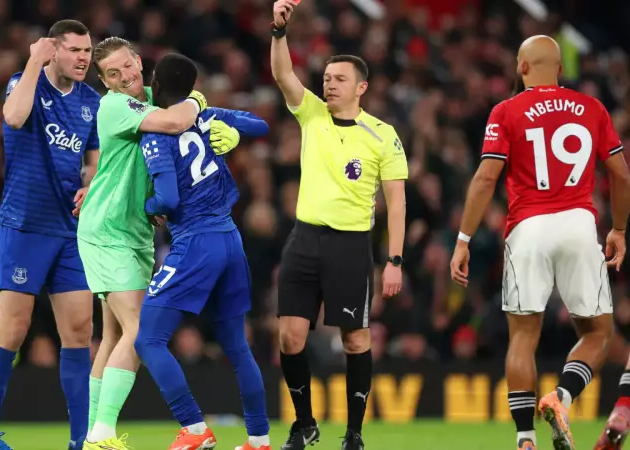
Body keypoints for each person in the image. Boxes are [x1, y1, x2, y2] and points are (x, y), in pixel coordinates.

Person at [449, 35, 630, 450]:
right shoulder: (592, 108)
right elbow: (621, 175)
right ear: (560, 70)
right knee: (599, 334)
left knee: (523, 338)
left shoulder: (507, 110)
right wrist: (618, 229)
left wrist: (464, 239)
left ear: (522, 67)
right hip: (580, 225)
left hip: (527, 229)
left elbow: (485, 178)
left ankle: (526, 440)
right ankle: (562, 397)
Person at [78, 38, 242, 450]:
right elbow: (174, 124)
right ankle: (103, 435)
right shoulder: (115, 105)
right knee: (139, 331)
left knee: (114, 334)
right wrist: (199, 100)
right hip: (109, 232)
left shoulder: (155, 98)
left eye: (127, 67)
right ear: (104, 81)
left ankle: (90, 435)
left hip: (133, 232)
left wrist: (228, 136)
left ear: (137, 60)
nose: (125, 77)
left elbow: (185, 133)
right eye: (113, 74)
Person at [269, 1, 408, 449]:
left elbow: (397, 200)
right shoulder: (310, 113)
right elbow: (283, 75)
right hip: (304, 238)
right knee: (289, 336)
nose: (329, 84)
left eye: (339, 79)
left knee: (355, 339)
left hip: (350, 244)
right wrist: (278, 32)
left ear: (361, 87)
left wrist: (394, 260)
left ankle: (353, 433)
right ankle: (305, 423)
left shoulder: (382, 134)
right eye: (327, 78)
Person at [131, 53, 271, 450]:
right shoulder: (206, 115)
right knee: (236, 345)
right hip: (230, 237)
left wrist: (147, 207)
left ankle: (194, 429)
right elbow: (261, 123)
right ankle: (259, 441)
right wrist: (238, 135)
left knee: (149, 341)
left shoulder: (157, 132)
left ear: (156, 86)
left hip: (195, 241)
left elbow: (169, 198)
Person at [0, 20, 99, 450]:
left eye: (88, 51)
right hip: (25, 223)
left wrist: (93, 180)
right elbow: (12, 117)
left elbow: (96, 155)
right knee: (13, 328)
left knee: (80, 329)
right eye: (75, 50)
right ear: (53, 51)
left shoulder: (91, 102)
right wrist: (32, 61)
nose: (84, 58)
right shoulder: (24, 82)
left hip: (69, 228)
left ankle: (79, 441)